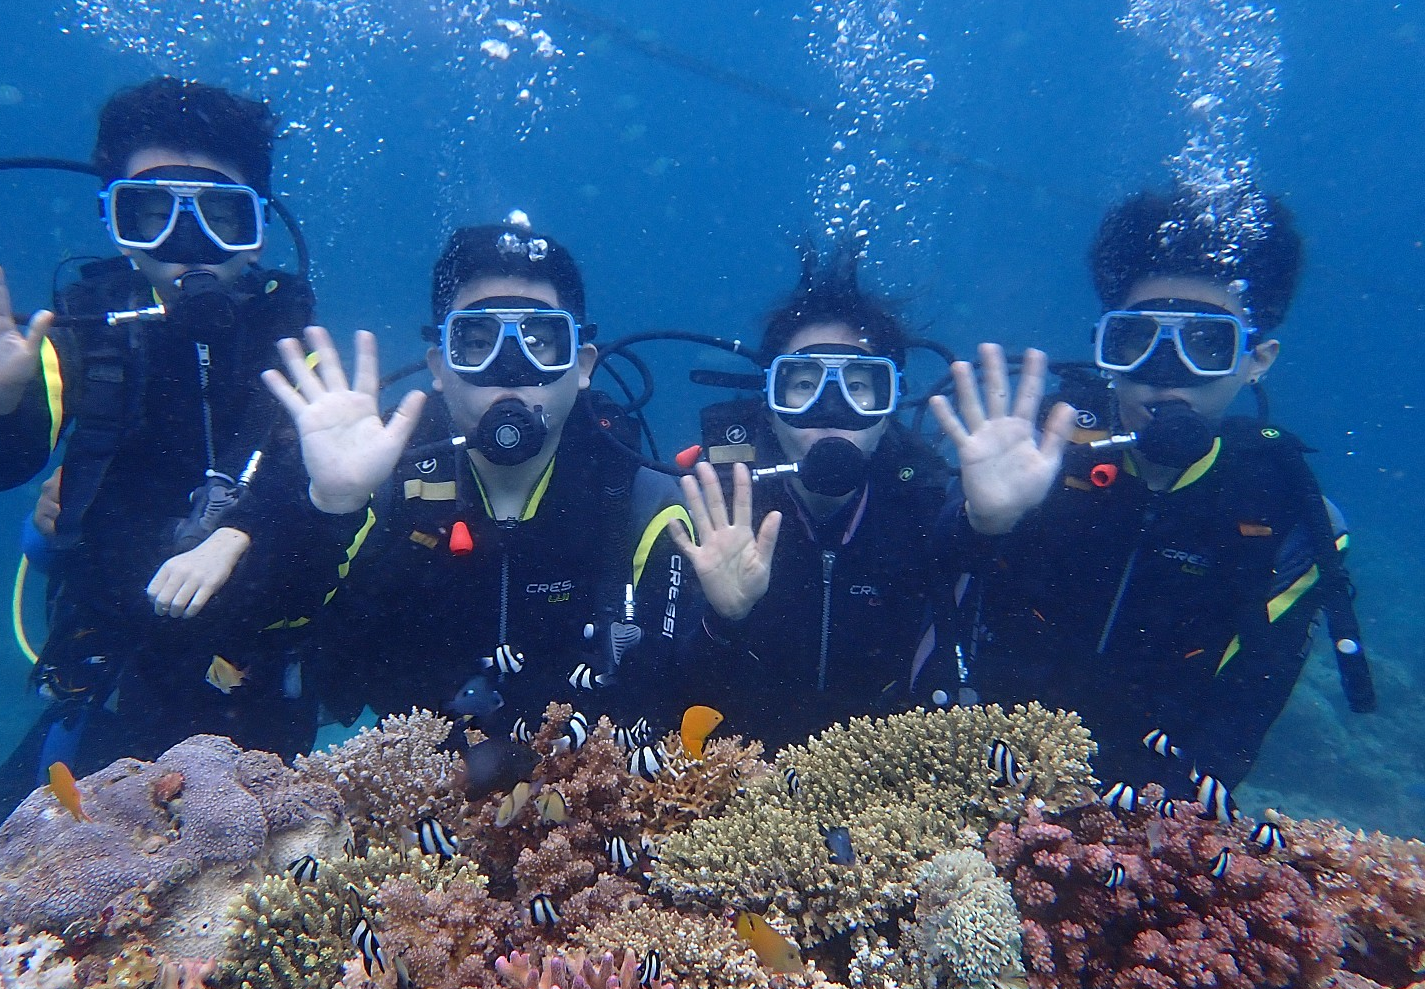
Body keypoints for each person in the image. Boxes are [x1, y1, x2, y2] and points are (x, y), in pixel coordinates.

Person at [0, 77, 341, 864]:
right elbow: (0, 465)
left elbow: (311, 472)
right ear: (115, 220)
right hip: (112, 662)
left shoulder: (290, 335)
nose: (186, 242)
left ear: (258, 226)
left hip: (254, 667)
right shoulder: (87, 329)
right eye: (152, 212)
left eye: (219, 214)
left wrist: (235, 534)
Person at [930, 186, 1374, 788]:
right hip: (971, 770)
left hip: (1149, 805)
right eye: (1137, 340)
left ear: (1258, 359)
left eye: (1208, 344)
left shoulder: (1289, 517)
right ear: (1103, 346)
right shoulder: (1038, 450)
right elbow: (924, 588)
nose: (1167, 373)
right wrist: (980, 521)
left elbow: (1242, 716)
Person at [266, 223, 696, 758]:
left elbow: (684, 691)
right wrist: (330, 508)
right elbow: (272, 631)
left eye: (539, 342)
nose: (510, 369)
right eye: (476, 342)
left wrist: (729, 621)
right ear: (440, 366)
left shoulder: (641, 501)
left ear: (582, 365)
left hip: (582, 792)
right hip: (413, 791)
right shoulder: (385, 484)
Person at [670, 245, 960, 744]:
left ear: (890, 403)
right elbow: (673, 712)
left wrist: (990, 530)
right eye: (804, 384)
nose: (831, 409)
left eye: (859, 386)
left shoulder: (927, 510)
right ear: (769, 402)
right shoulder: (714, 514)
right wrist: (723, 620)